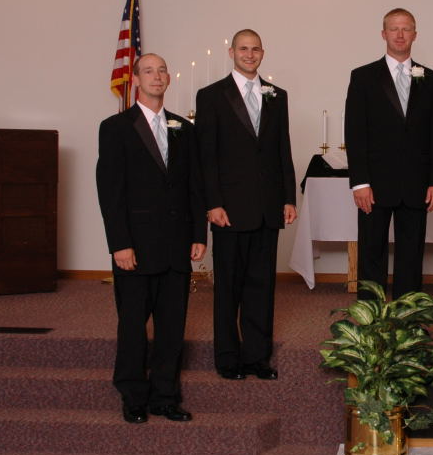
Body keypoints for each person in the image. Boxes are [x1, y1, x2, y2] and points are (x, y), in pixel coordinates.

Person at [95, 53, 207, 423]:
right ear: (136, 80)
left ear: (168, 79)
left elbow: (195, 185)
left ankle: (165, 396)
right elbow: (110, 192)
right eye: (148, 71)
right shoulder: (115, 128)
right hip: (135, 247)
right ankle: (132, 395)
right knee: (132, 325)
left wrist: (199, 233)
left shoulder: (183, 128)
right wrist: (119, 244)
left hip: (177, 244)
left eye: (161, 71)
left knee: (172, 327)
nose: (156, 77)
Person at [195, 29, 297, 381]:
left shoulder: (277, 95)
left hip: (268, 207)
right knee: (228, 287)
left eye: (255, 49)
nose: (249, 54)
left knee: (262, 286)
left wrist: (288, 197)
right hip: (229, 209)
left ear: (263, 53)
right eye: (243, 49)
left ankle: (257, 357)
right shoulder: (211, 96)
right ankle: (227, 357)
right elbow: (206, 156)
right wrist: (212, 203)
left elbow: (282, 149)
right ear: (231, 52)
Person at [344, 8, 433, 298]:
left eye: (406, 29)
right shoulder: (363, 77)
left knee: (412, 253)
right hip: (374, 183)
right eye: (394, 29)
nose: (400, 34)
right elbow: (355, 132)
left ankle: (407, 315)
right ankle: (372, 315)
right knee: (371, 251)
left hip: (417, 183)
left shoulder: (431, 79)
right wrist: (360, 182)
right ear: (383, 34)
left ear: (415, 34)